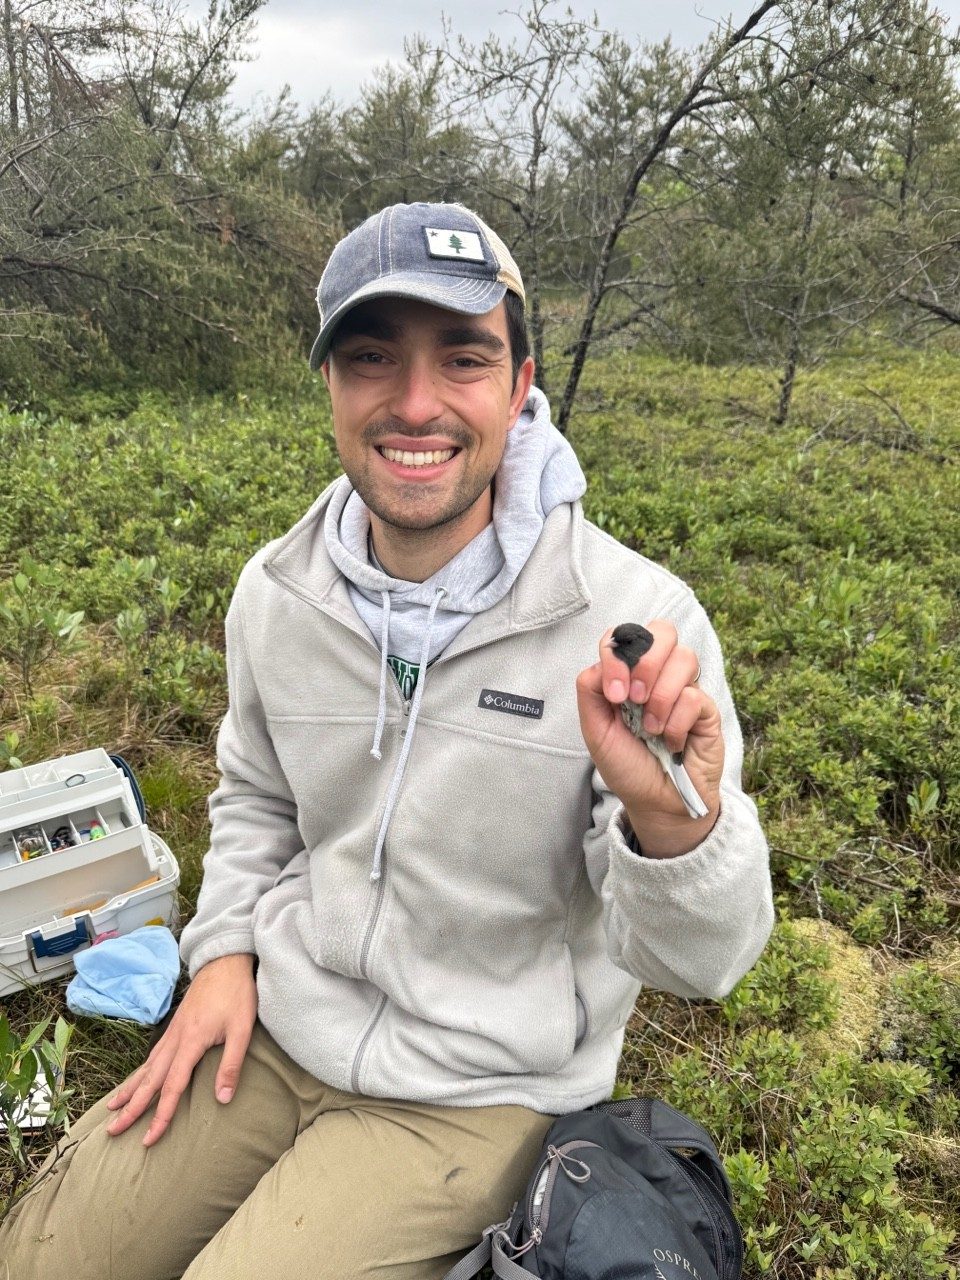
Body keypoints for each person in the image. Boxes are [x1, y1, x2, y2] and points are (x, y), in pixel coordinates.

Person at [0, 201, 774, 1280]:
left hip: (480, 1089)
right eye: (372, 357)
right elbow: (256, 796)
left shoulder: (634, 624)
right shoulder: (277, 592)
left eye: (463, 356)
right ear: (329, 382)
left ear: (520, 383)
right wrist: (222, 956)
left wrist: (667, 823)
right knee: (43, 1257)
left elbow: (707, 963)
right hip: (278, 1025)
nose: (415, 403)